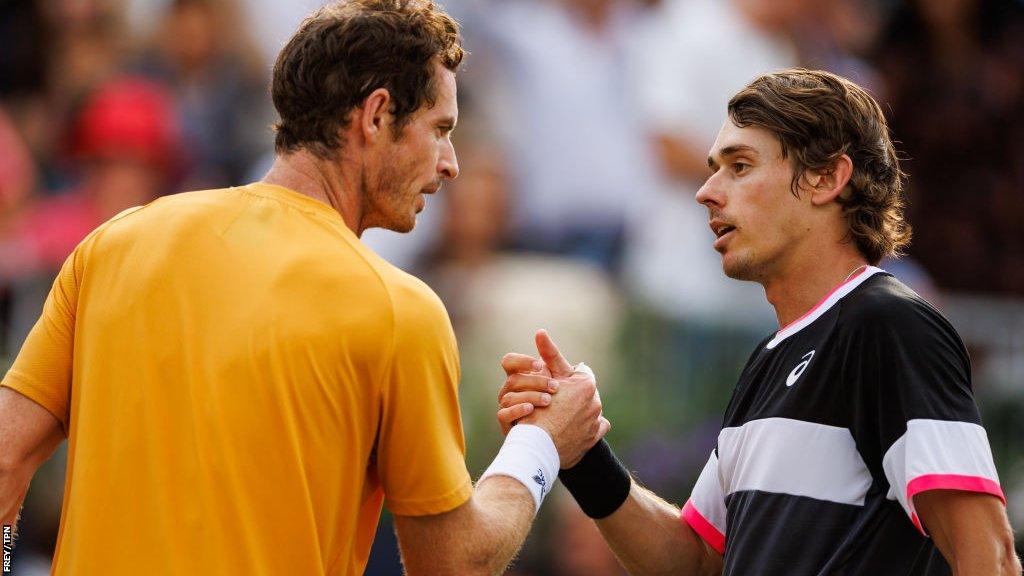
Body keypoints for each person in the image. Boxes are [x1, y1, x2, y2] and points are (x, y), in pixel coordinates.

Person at [0, 1, 608, 574]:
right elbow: (453, 561)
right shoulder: (398, 310)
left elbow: (6, 459)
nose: (451, 162)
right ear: (375, 116)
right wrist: (540, 445)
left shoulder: (114, 245)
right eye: (440, 129)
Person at [498, 69, 1021, 575]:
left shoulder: (889, 325)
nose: (707, 191)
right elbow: (696, 561)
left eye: (740, 165)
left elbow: (988, 556)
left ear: (826, 178)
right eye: (713, 167)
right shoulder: (770, 359)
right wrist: (584, 452)